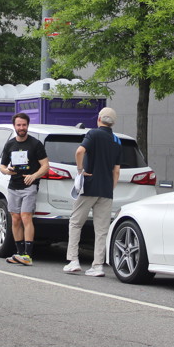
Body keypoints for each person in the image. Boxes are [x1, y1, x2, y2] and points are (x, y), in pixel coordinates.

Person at [63, 107, 122, 277]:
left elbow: (80, 151)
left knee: (76, 223)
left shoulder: (93, 134)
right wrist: (111, 187)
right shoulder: (117, 140)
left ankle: (73, 260)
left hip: (89, 186)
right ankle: (97, 266)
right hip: (106, 190)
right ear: (113, 122)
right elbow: (116, 170)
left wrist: (80, 170)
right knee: (102, 230)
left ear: (99, 119)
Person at [0, 113, 49, 266]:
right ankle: (19, 253)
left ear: (28, 125)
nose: (21, 128)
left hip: (29, 186)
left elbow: (45, 166)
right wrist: (7, 171)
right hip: (14, 186)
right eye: (19, 125)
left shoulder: (35, 144)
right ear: (14, 126)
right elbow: (2, 166)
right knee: (15, 218)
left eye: (24, 125)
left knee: (26, 216)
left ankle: (28, 254)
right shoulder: (10, 144)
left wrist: (34, 176)